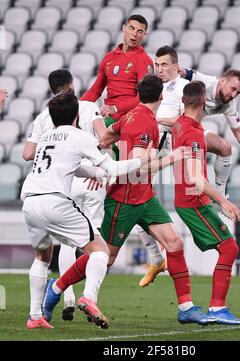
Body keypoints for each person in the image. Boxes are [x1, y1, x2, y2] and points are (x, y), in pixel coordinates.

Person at [43, 74, 217, 326]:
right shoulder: (145, 123)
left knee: (175, 243)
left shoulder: (133, 115)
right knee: (106, 257)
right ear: (161, 97)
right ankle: (56, 288)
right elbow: (138, 168)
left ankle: (186, 307)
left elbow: (106, 137)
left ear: (140, 95)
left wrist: (108, 154)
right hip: (124, 200)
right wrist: (174, 157)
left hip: (144, 197)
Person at [22, 90, 153, 329]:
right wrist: (140, 161)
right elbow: (112, 167)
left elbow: (76, 168)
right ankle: (88, 297)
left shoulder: (47, 137)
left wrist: (99, 172)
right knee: (100, 251)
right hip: (55, 201)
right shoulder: (78, 136)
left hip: (30, 201)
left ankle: (35, 317)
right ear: (77, 115)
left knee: (42, 257)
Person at [23, 69, 107, 321]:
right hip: (86, 180)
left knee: (58, 247)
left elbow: (27, 154)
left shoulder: (42, 117)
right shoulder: (88, 106)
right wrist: (98, 168)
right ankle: (88, 296)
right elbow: (103, 138)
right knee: (95, 245)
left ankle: (64, 296)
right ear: (72, 85)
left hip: (51, 185)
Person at [172, 80, 240, 324]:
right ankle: (217, 308)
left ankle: (192, 306)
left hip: (185, 199)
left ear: (183, 101)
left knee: (178, 247)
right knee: (229, 248)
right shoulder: (193, 134)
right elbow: (196, 178)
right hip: (194, 201)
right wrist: (223, 201)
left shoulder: (180, 124)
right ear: (204, 102)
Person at [137, 46, 189, 287]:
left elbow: (183, 122)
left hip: (161, 146)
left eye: (165, 65)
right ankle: (157, 259)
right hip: (145, 143)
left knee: (135, 200)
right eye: (157, 65)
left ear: (176, 66)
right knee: (135, 201)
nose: (160, 69)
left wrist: (154, 119)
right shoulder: (155, 87)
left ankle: (158, 258)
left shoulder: (182, 89)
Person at [180, 68, 240, 198]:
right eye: (233, 89)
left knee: (225, 147)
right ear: (222, 81)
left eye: (238, 93)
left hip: (189, 131)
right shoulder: (205, 82)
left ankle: (220, 195)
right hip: (169, 126)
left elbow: (238, 131)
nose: (233, 95)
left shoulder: (229, 104)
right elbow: (181, 71)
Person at [81, 14, 154, 158]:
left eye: (140, 31)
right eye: (131, 28)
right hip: (108, 119)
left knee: (117, 166)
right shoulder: (109, 58)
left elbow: (144, 98)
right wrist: (76, 107)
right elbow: (95, 91)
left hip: (128, 119)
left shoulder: (144, 61)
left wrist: (115, 108)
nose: (134, 34)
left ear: (144, 35)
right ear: (124, 28)